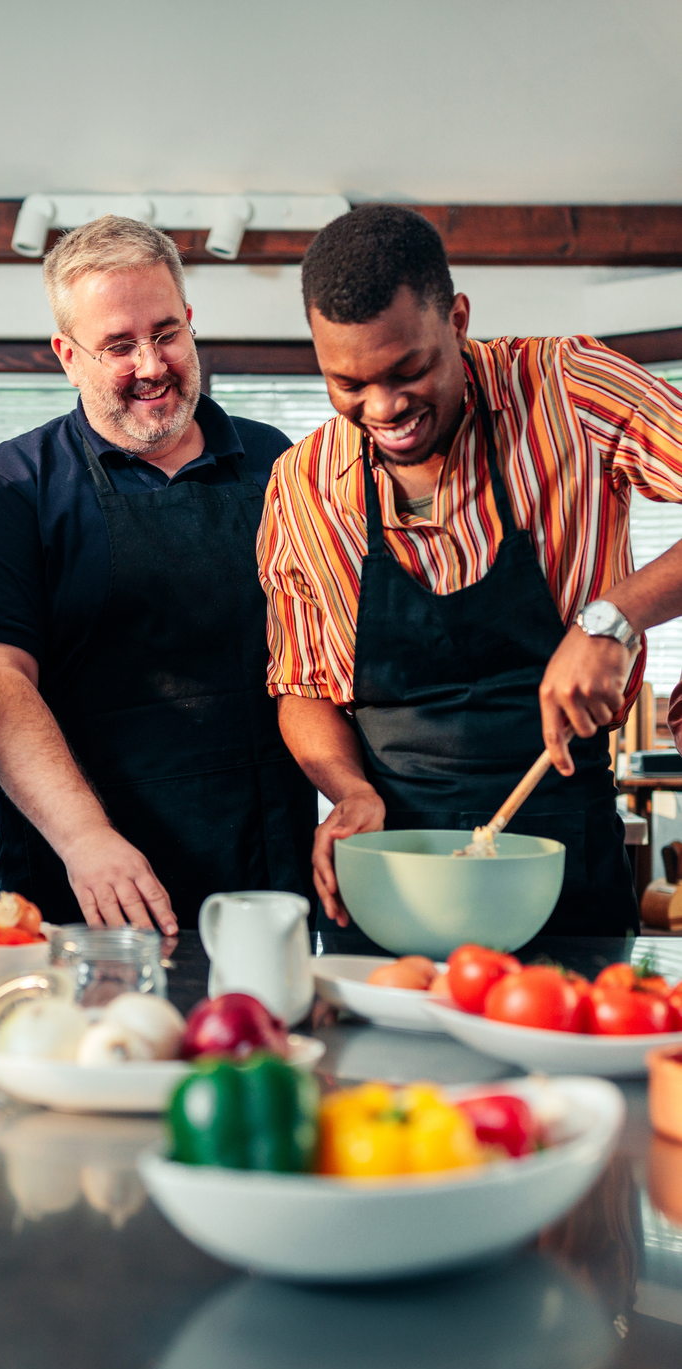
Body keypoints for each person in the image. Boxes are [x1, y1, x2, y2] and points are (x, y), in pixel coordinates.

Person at [260, 203, 682, 937]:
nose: (384, 407)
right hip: (388, 867)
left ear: (456, 319)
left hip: (560, 861)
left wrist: (615, 615)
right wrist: (347, 790)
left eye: (408, 370)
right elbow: (300, 686)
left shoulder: (567, 389)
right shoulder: (300, 484)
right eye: (348, 384)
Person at [0, 216, 316, 934]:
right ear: (67, 356)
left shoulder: (278, 466)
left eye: (165, 332)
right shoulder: (12, 488)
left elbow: (321, 653)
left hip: (262, 879)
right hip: (85, 884)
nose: (150, 363)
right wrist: (85, 839)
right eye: (116, 345)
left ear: (191, 324)